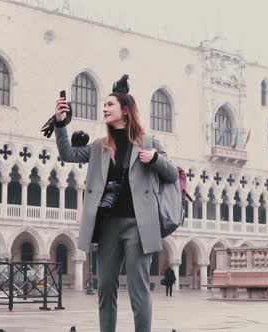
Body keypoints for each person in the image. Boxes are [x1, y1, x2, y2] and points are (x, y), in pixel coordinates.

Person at [54, 75, 178, 332]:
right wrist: (60, 124)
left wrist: (155, 159)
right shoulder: (99, 146)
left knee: (138, 290)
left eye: (110, 104)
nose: (104, 108)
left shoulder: (149, 142)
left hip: (139, 226)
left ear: (125, 110)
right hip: (108, 225)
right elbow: (68, 154)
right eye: (104, 105)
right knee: (105, 287)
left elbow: (173, 174)